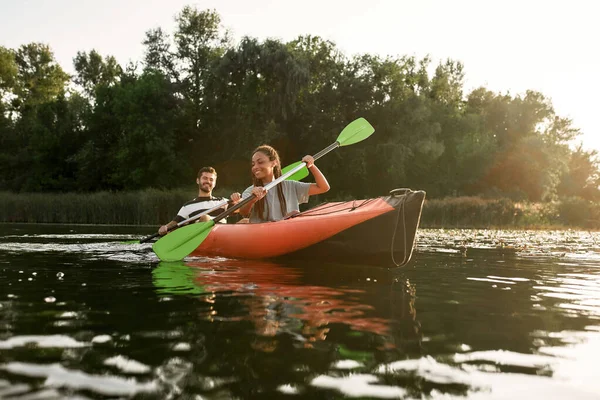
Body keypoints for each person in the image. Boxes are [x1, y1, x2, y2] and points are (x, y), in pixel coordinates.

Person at [238, 145, 330, 223]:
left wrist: (312, 166)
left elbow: (323, 187)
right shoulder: (251, 191)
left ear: (274, 163)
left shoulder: (291, 186)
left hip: (287, 232)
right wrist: (253, 199)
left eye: (260, 162)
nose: (255, 167)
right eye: (253, 164)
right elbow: (243, 212)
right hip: (261, 235)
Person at [158, 167, 240, 235]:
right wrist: (165, 228)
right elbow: (175, 223)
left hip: (223, 235)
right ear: (198, 181)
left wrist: (237, 200)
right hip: (202, 238)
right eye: (205, 178)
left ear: (214, 183)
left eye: (211, 179)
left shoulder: (223, 201)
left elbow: (239, 209)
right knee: (205, 218)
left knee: (245, 221)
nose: (208, 181)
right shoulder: (188, 206)